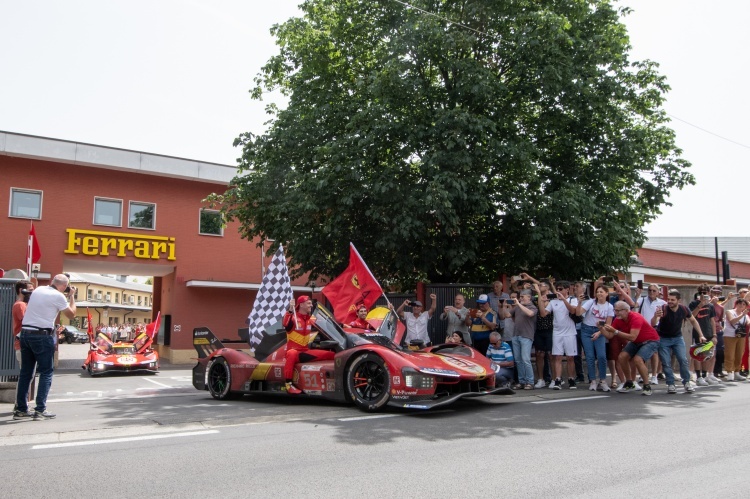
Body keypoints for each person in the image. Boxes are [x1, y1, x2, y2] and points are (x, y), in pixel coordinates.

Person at [14, 274, 77, 421]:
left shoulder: (38, 290)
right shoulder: (59, 296)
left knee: (26, 373)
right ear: (64, 286)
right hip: (42, 336)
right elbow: (72, 315)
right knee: (46, 372)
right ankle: (40, 409)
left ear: (52, 282)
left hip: (25, 334)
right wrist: (72, 296)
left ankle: (21, 409)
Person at [596, 301, 660, 396]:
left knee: (637, 359)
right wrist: (601, 329)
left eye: (618, 311)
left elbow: (632, 337)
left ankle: (647, 385)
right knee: (622, 357)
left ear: (626, 311)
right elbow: (609, 335)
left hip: (650, 340)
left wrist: (616, 331)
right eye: (615, 310)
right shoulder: (618, 319)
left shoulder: (636, 317)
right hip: (636, 341)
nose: (615, 313)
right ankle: (629, 382)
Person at [651, 289, 703, 393]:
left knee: (683, 360)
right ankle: (670, 384)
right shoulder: (663, 309)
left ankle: (687, 382)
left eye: (672, 300)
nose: (669, 301)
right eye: (668, 299)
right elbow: (653, 323)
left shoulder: (684, 309)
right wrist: (656, 316)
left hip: (677, 338)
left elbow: (693, 321)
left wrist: (701, 335)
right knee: (666, 362)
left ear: (679, 301)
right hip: (663, 338)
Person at [282, 296, 335, 394]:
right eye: (308, 303)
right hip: (293, 353)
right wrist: (290, 309)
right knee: (292, 353)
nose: (311, 305)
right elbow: (285, 324)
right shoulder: (293, 318)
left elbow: (327, 325)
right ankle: (288, 384)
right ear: (301, 305)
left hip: (305, 351)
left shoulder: (310, 319)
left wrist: (345, 326)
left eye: (311, 303)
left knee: (332, 355)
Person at [540, 281, 579, 390]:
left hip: (570, 332)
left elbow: (573, 310)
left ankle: (571, 378)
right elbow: (543, 314)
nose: (558, 291)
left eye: (561, 289)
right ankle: (557, 379)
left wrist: (563, 299)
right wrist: (541, 301)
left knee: (570, 357)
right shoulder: (553, 301)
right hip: (557, 332)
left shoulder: (573, 300)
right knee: (557, 356)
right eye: (557, 289)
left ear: (567, 289)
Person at [576, 285, 614, 391]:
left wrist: (599, 332)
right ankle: (592, 380)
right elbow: (578, 313)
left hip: (600, 331)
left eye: (602, 292)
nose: (599, 294)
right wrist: (579, 302)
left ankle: (602, 380)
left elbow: (608, 324)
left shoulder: (609, 306)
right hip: (586, 330)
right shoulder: (591, 302)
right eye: (598, 292)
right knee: (590, 356)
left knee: (602, 356)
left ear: (607, 293)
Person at [504, 290, 537, 390]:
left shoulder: (532, 307)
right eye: (520, 297)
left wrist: (518, 304)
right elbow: (507, 315)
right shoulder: (518, 307)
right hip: (516, 335)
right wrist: (503, 306)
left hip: (526, 336)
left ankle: (530, 382)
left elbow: (530, 314)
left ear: (529, 297)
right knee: (518, 360)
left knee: (526, 359)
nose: (521, 298)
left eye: (523, 297)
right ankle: (522, 381)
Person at [636, 284, 667, 385]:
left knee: (654, 353)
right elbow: (634, 304)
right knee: (642, 352)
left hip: (656, 328)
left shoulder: (662, 303)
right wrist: (637, 295)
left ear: (658, 292)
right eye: (650, 290)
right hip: (643, 329)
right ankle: (642, 374)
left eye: (654, 291)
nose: (651, 292)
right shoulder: (642, 300)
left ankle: (654, 375)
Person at [11, 280, 35, 411]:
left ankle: (20, 403)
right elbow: (27, 321)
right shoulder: (20, 305)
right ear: (21, 290)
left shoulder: (23, 304)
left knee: (28, 375)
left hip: (23, 343)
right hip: (22, 343)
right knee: (26, 376)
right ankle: (19, 403)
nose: (32, 292)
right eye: (30, 289)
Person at [688, 285, 716, 386]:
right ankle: (698, 377)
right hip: (698, 333)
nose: (703, 294)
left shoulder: (711, 306)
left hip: (708, 333)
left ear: (709, 293)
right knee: (697, 354)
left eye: (705, 292)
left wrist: (714, 335)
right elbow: (691, 316)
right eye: (701, 293)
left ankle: (704, 376)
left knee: (708, 355)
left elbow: (712, 321)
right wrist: (700, 305)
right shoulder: (693, 303)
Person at [723, 298, 749, 382]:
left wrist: (744, 315)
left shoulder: (746, 315)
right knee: (730, 354)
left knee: (739, 354)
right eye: (740, 304)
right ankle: (729, 372)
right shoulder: (729, 312)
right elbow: (732, 321)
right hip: (730, 335)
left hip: (741, 336)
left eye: (744, 304)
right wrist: (742, 315)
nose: (741, 306)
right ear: (736, 304)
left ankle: (737, 372)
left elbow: (748, 323)